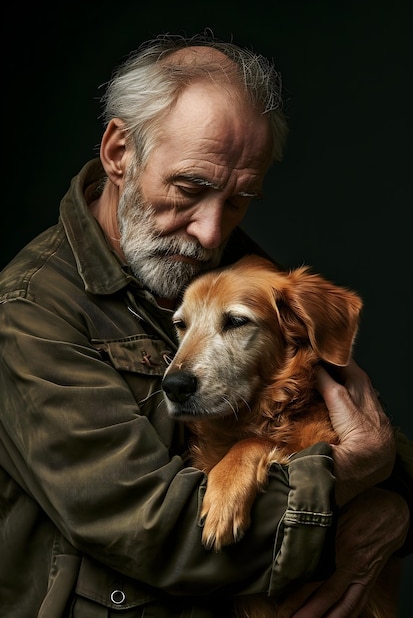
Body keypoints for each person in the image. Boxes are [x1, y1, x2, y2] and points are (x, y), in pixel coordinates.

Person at [0, 31, 412, 618]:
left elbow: (361, 432)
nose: (212, 233)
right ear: (120, 153)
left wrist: (395, 507)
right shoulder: (29, 313)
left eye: (240, 199)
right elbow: (163, 535)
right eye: (189, 188)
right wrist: (346, 480)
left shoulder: (227, 269)